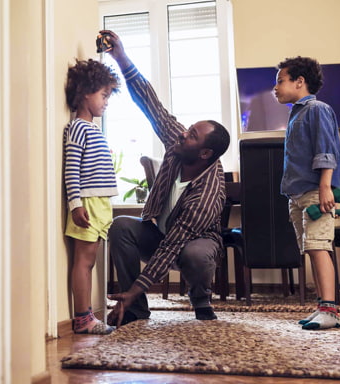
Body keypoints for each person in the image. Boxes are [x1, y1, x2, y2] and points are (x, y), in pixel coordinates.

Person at [99, 30, 231, 327]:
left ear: (205, 153)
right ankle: (136, 309)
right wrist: (121, 57)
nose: (183, 134)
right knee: (121, 226)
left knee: (196, 254)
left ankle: (200, 299)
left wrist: (135, 287)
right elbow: (152, 106)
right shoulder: (179, 144)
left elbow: (174, 245)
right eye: (188, 130)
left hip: (194, 243)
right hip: (158, 234)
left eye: (192, 135)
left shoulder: (208, 193)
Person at [274, 56, 340, 330]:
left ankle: (331, 310)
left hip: (317, 192)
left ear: (299, 82)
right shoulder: (297, 114)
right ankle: (322, 307)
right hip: (298, 193)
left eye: (281, 81)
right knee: (311, 249)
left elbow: (326, 151)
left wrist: (326, 187)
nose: (276, 88)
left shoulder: (317, 109)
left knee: (319, 246)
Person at [63, 58, 121, 334]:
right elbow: (71, 168)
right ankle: (83, 317)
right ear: (86, 92)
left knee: (91, 260)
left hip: (100, 203)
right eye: (104, 95)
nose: (106, 102)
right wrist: (75, 204)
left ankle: (90, 312)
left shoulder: (92, 128)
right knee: (83, 261)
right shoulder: (77, 128)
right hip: (86, 202)